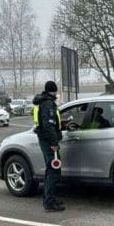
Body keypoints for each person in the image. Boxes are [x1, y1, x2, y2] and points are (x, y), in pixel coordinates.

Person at [33, 81, 65, 212]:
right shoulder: (48, 104)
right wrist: (54, 143)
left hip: (44, 139)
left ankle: (48, 198)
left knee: (50, 170)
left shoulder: (41, 102)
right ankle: (50, 202)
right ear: (54, 90)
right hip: (48, 141)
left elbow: (45, 122)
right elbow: (48, 125)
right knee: (53, 171)